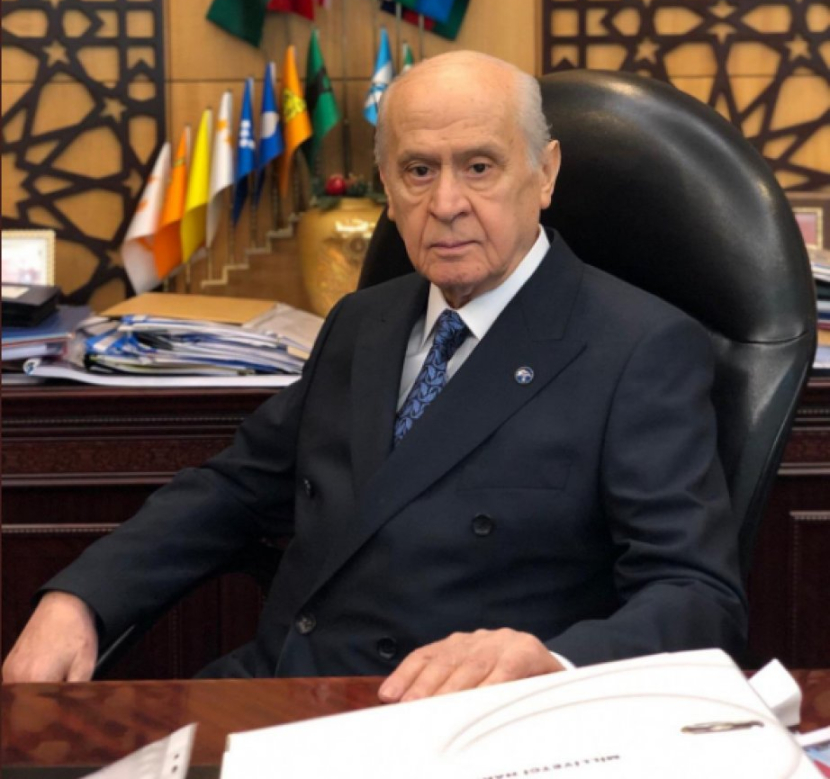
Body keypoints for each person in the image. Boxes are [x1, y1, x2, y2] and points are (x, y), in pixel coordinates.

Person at [3, 52, 747, 700]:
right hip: (279, 690)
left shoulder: (639, 346)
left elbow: (697, 596)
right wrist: (82, 599)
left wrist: (551, 662)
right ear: (387, 186)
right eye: (419, 171)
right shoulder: (364, 321)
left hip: (459, 722)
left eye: (479, 167)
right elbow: (231, 490)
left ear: (544, 173)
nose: (446, 205)